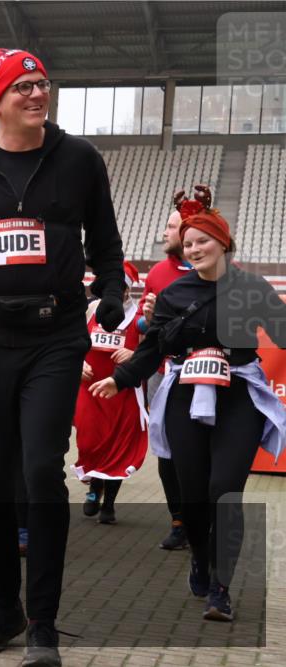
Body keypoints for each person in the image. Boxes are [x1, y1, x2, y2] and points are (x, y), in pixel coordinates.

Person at [0, 47, 126, 667]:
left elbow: (107, 243)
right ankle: (4, 607)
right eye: (22, 88)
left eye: (42, 83)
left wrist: (112, 292)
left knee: (42, 471)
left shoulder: (79, 159)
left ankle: (42, 621)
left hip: (55, 334)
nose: (37, 95)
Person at [90, 196, 286, 623]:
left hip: (238, 398)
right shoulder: (175, 292)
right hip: (185, 396)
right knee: (193, 498)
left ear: (222, 242)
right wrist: (120, 379)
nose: (193, 249)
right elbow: (154, 347)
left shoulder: (253, 288)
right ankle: (199, 554)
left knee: (225, 492)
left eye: (202, 241)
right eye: (188, 243)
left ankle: (220, 587)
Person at [138, 198, 196, 550]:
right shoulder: (158, 273)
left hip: (206, 375)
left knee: (198, 452)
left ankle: (199, 518)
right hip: (164, 372)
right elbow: (147, 328)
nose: (164, 232)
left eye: (171, 226)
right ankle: (178, 520)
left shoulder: (217, 271)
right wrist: (148, 318)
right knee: (167, 452)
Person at [73, 261, 149, 525]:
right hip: (89, 386)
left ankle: (108, 502)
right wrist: (78, 360)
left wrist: (135, 354)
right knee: (89, 440)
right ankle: (94, 485)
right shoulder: (91, 309)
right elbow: (73, 340)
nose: (120, 293)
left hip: (121, 389)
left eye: (124, 288)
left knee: (119, 445)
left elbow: (154, 350)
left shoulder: (139, 317)